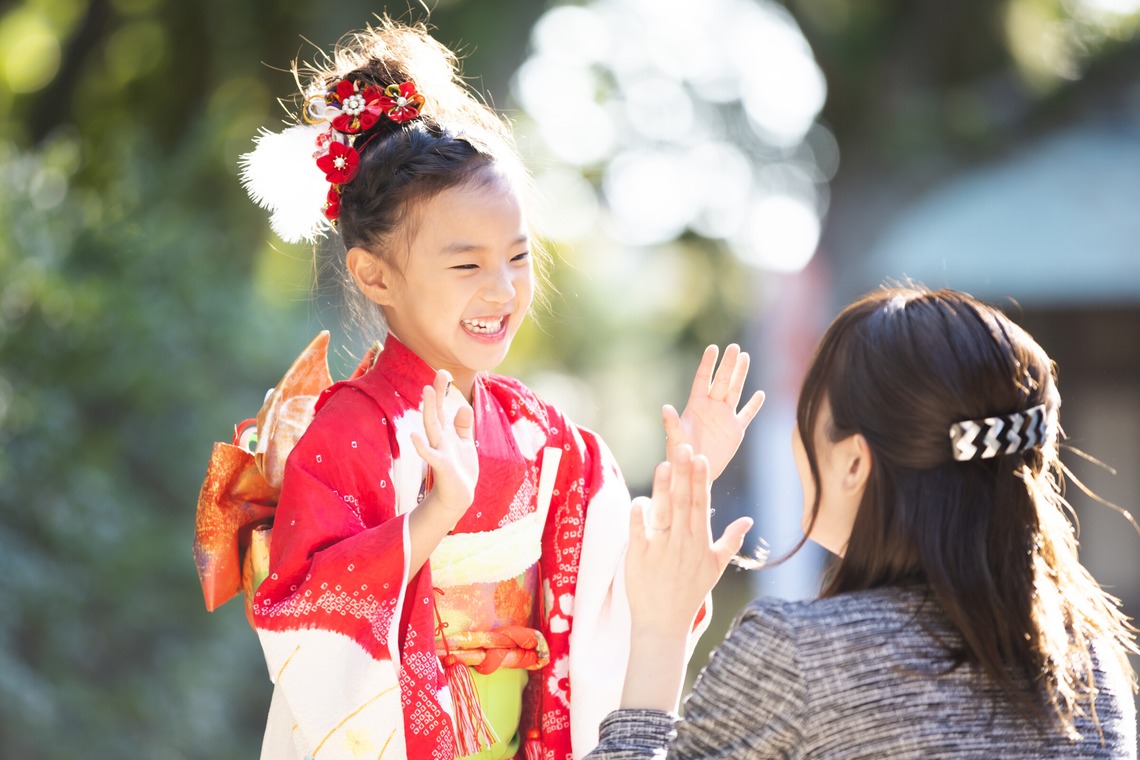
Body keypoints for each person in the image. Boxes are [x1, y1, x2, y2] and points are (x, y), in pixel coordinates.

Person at [224, 18, 764, 760]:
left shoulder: (539, 433)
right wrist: (435, 514)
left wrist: (686, 477)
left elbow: (612, 582)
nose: (502, 288)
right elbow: (305, 619)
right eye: (467, 264)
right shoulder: (347, 433)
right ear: (375, 275)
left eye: (516, 256)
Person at [587, 286, 1138, 759]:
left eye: (809, 411)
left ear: (853, 462)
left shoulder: (799, 655)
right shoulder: (1091, 665)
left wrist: (660, 627)